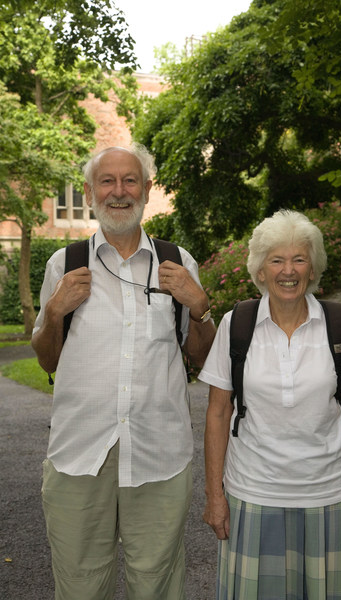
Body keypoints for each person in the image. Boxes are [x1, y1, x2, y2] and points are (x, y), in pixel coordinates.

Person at [32, 144, 216, 600]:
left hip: (160, 452)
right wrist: (54, 313)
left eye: (130, 180)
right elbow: (48, 359)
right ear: (92, 192)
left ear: (147, 190)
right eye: (108, 182)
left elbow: (200, 356)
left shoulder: (178, 262)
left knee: (156, 583)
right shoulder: (64, 264)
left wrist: (200, 308)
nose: (119, 191)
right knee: (79, 584)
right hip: (80, 452)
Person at [199, 209, 341, 600]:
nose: (288, 270)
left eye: (299, 259)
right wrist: (215, 496)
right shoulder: (236, 325)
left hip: (328, 496)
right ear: (260, 270)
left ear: (313, 268)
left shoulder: (339, 324)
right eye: (276, 259)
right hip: (253, 494)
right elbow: (217, 412)